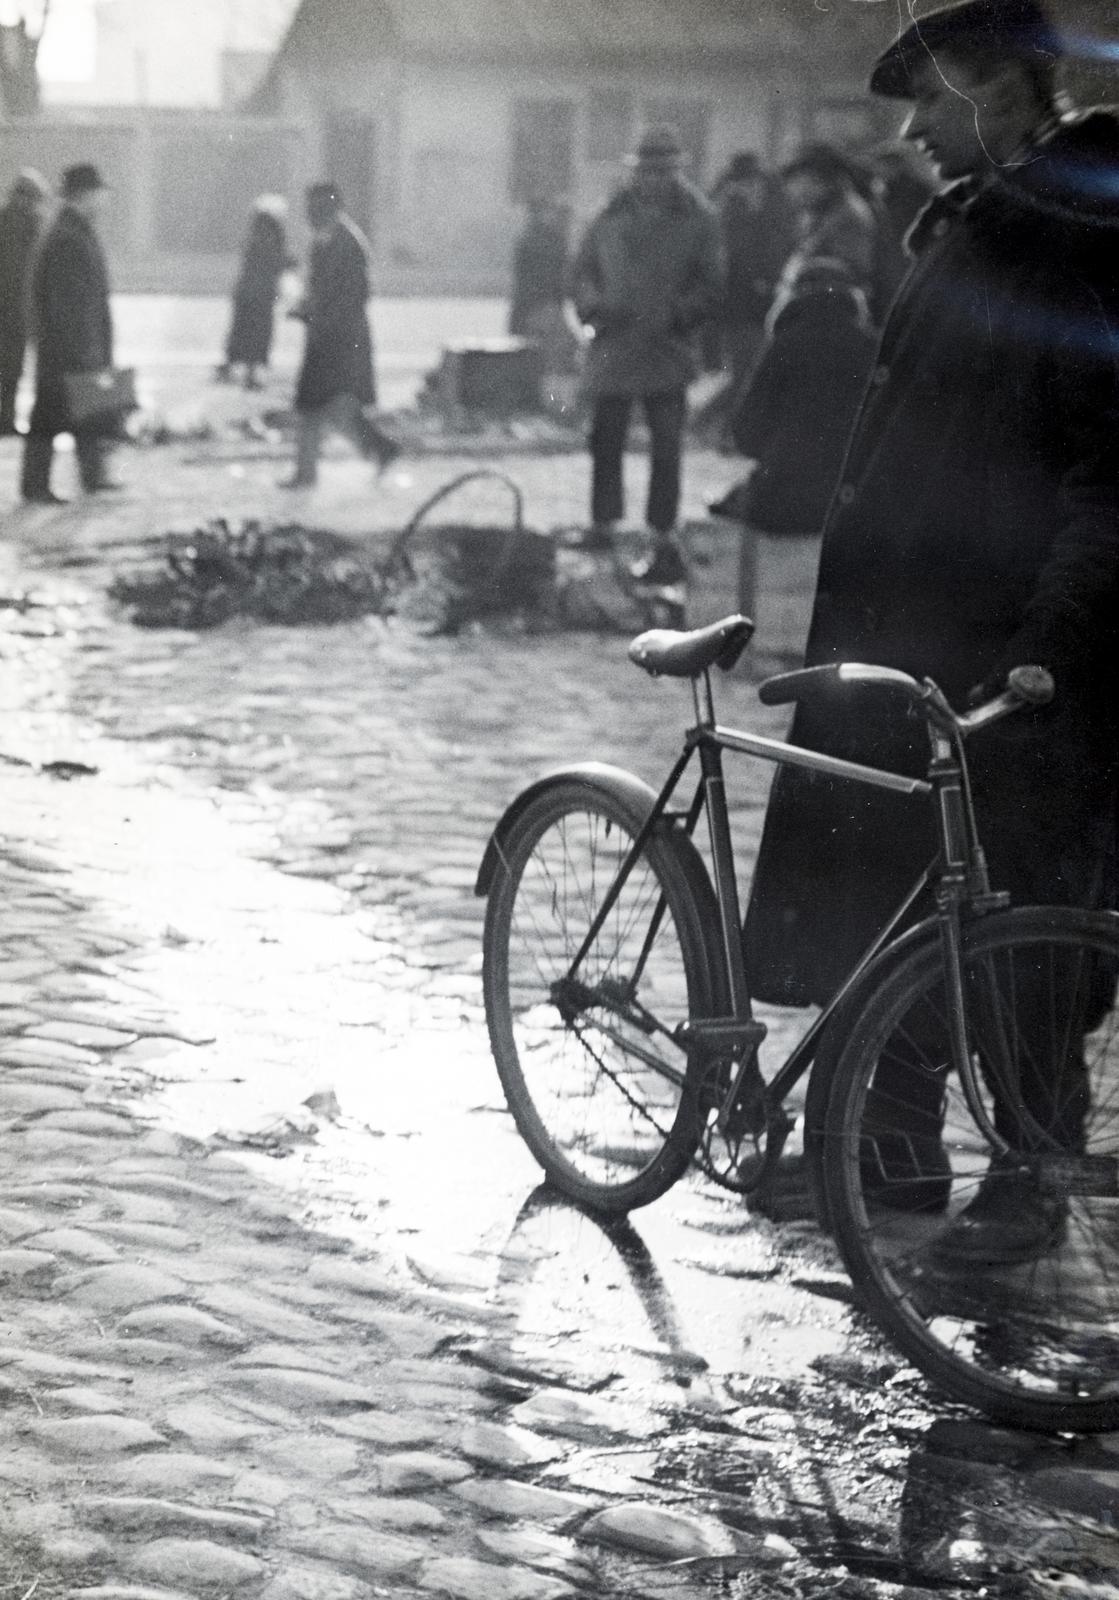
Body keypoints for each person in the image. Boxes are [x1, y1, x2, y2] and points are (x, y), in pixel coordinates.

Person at [742, 0, 1119, 1261]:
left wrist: (1058, 636)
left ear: (1012, 89)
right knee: (896, 883)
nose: (906, 131)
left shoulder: (1077, 228)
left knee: (1016, 903)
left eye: (934, 99)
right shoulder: (980, 219)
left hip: (1016, 637)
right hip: (914, 623)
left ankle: (1031, 1176)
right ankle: (893, 1153)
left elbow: (1102, 463)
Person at [570, 125, 724, 585]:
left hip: (666, 349)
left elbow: (712, 283)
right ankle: (603, 523)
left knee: (666, 447)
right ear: (633, 171)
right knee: (605, 440)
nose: (653, 179)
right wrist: (593, 308)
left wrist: (679, 315)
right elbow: (581, 272)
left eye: (662, 170)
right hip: (614, 346)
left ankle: (661, 532)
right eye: (645, 170)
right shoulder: (608, 214)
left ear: (678, 171)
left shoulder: (700, 219)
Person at [713, 257, 877, 653]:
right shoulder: (874, 346)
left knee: (729, 504)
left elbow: (747, 434)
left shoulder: (786, 344)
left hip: (783, 503)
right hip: (856, 509)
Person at [283, 181, 400, 490]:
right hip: (328, 335)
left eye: (316, 207)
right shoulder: (326, 240)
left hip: (341, 338)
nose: (310, 213)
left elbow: (351, 295)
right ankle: (378, 450)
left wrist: (314, 313)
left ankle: (307, 473)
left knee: (321, 406)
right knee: (330, 406)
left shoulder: (346, 243)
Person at [22, 162, 118, 504]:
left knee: (84, 413)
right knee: (52, 416)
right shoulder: (69, 236)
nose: (104, 200)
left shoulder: (73, 230)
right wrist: (86, 351)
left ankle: (91, 476)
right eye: (100, 193)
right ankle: (36, 486)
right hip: (68, 349)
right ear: (85, 195)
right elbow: (68, 306)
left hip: (71, 347)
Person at [771, 143, 878, 327]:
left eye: (808, 182)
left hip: (831, 313)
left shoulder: (848, 213)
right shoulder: (816, 212)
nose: (798, 191)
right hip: (807, 308)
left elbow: (849, 269)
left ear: (827, 181)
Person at [216, 194, 292, 390]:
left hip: (249, 293)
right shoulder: (269, 237)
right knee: (255, 334)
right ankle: (249, 374)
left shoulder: (256, 236)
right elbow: (273, 261)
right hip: (260, 295)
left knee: (242, 331)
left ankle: (232, 367)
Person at [0, 168, 48, 437]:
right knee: (12, 368)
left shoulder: (19, 222)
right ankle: (6, 418)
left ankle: (6, 417)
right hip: (16, 310)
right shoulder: (30, 225)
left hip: (14, 309)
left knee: (11, 368)